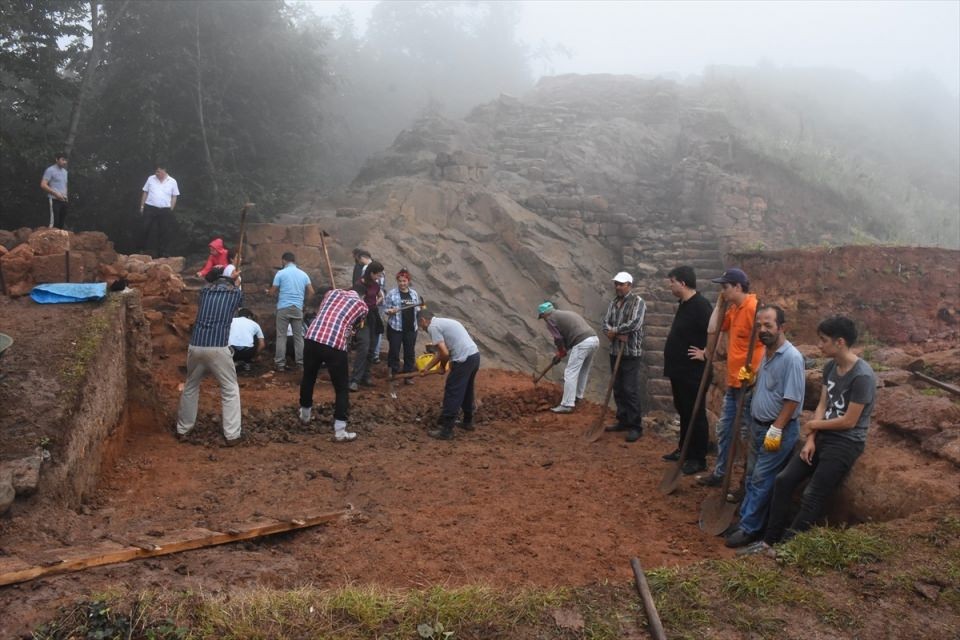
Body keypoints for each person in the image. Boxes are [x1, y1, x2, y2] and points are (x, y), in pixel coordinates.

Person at [741, 316, 877, 556]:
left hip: (846, 442)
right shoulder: (830, 367)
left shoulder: (862, 376)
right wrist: (812, 438)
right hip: (823, 436)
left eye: (824, 341)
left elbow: (849, 421)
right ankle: (769, 541)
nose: (819, 346)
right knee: (783, 480)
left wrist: (814, 425)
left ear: (840, 342)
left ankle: (787, 548)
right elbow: (823, 404)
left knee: (812, 494)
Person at [724, 305, 806, 548]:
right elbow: (767, 388)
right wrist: (751, 378)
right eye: (759, 325)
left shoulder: (791, 358)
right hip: (758, 426)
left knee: (761, 478)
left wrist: (777, 428)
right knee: (751, 476)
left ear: (782, 327)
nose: (763, 330)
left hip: (776, 430)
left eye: (768, 325)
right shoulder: (767, 354)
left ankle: (750, 529)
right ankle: (746, 519)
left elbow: (792, 400)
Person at [696, 268, 764, 487]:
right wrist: (719, 304)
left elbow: (770, 344)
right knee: (725, 430)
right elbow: (713, 328)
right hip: (734, 383)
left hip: (751, 385)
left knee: (746, 435)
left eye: (725, 287)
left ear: (738, 286)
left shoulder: (754, 308)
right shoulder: (734, 309)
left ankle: (747, 481)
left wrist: (756, 373)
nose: (722, 291)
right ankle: (720, 473)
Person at [175, 266, 245, 446]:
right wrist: (236, 280)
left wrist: (229, 277)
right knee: (230, 389)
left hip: (196, 345)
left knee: (191, 386)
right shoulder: (234, 294)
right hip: (218, 347)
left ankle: (183, 429)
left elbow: (211, 280)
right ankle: (232, 435)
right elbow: (239, 294)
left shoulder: (205, 292)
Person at [662, 265, 714, 474]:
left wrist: (706, 353)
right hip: (680, 370)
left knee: (695, 412)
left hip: (694, 372)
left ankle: (697, 458)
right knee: (683, 409)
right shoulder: (685, 304)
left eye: (672, 281)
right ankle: (684, 448)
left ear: (682, 283)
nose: (670, 285)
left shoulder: (701, 306)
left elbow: (715, 332)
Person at [299, 287, 368, 442]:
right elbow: (356, 326)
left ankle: (305, 416)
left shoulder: (332, 293)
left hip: (312, 337)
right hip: (334, 344)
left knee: (308, 377)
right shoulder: (362, 305)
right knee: (342, 388)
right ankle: (340, 430)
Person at [418, 309, 480, 440]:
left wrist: (442, 367)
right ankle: (468, 421)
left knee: (453, 390)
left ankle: (447, 430)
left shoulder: (433, 327)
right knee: (467, 390)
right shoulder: (443, 322)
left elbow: (444, 353)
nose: (421, 328)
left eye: (420, 325)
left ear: (423, 320)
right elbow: (441, 353)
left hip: (463, 359)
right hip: (474, 356)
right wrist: (427, 368)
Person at [601, 271, 646, 442]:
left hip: (630, 352)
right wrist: (611, 332)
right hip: (615, 351)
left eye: (621, 284)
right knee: (618, 387)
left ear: (629, 285)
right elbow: (605, 323)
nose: (618, 287)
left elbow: (635, 323)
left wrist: (616, 331)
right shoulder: (613, 303)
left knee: (629, 388)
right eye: (616, 284)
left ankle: (636, 426)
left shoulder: (638, 302)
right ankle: (623, 420)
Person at [537, 301, 599, 414]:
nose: (543, 320)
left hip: (582, 342)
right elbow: (571, 337)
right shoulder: (564, 314)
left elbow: (558, 339)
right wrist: (561, 352)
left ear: (544, 314)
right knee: (583, 371)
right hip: (594, 339)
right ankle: (578, 397)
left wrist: (561, 352)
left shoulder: (550, 319)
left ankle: (567, 404)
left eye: (542, 317)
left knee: (570, 372)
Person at [267, 252, 314, 371]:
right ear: (294, 261)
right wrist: (304, 303)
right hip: (297, 308)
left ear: (284, 261)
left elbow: (273, 291)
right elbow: (312, 292)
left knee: (281, 336)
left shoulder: (280, 273)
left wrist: (268, 292)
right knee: (298, 337)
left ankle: (280, 364)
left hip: (283, 307)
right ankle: (301, 363)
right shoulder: (304, 274)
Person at [349, 260, 385, 391]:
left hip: (374, 317)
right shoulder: (359, 284)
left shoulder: (376, 285)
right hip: (363, 319)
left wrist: (376, 302)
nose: (379, 277)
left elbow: (381, 295)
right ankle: (354, 379)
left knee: (371, 348)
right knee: (363, 347)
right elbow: (357, 302)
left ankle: (366, 376)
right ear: (371, 273)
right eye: (378, 275)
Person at [382, 268, 422, 383]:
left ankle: (408, 376)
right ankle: (393, 375)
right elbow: (385, 309)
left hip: (411, 328)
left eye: (404, 281)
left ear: (408, 281)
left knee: (409, 352)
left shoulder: (413, 294)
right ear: (397, 281)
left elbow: (418, 309)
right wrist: (390, 311)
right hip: (396, 328)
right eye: (400, 281)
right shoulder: (392, 294)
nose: (402, 283)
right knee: (394, 351)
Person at [40, 153, 69, 229]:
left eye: (66, 160)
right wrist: (55, 194)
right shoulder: (50, 170)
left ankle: (59, 240)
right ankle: (48, 239)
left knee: (61, 224)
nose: (64, 162)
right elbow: (43, 184)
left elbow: (65, 185)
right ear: (57, 159)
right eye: (62, 159)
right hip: (54, 200)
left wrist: (66, 197)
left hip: (64, 200)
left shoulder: (65, 172)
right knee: (54, 223)